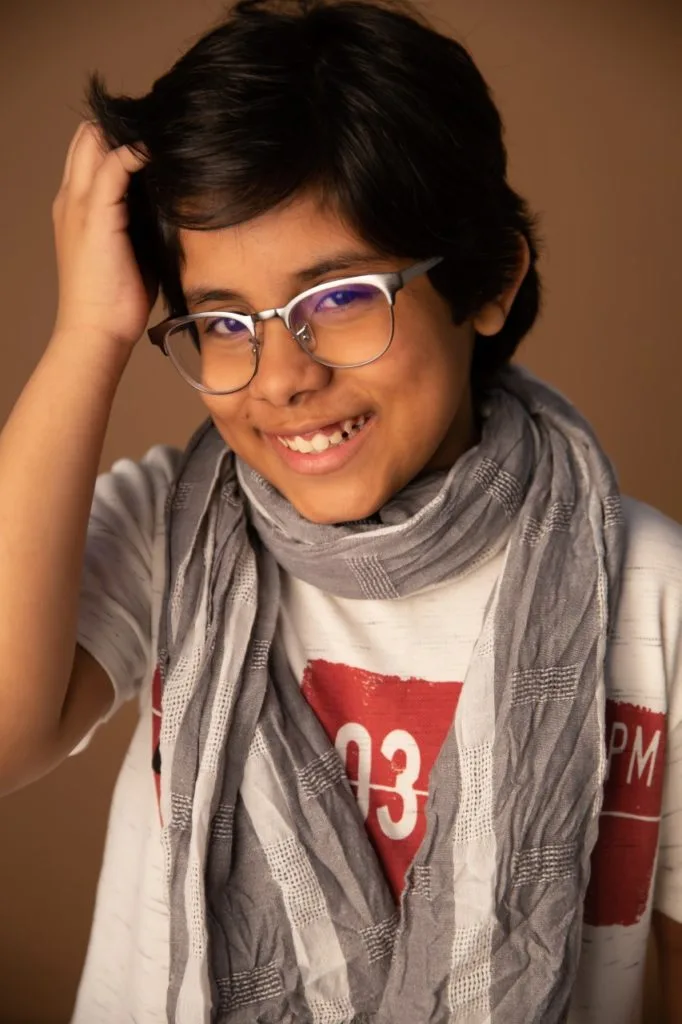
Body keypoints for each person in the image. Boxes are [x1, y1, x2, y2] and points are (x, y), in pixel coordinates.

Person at [0, 0, 679, 1021]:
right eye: (224, 321)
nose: (281, 376)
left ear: (488, 281)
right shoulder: (169, 531)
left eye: (342, 297)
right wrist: (89, 331)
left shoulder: (655, 592)